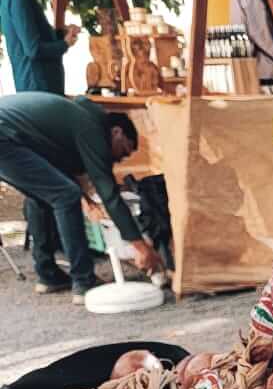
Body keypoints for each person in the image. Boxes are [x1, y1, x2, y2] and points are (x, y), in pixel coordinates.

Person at [0, 93, 160, 302]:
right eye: (124, 150)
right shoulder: (92, 129)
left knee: (41, 197)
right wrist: (140, 247)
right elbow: (109, 194)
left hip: (8, 134)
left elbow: (59, 169)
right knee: (65, 196)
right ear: (116, 132)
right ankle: (84, 281)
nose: (121, 158)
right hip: (5, 136)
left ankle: (48, 276)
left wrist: (87, 199)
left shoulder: (81, 118)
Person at [0, 0, 81, 295]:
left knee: (42, 188)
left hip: (36, 92)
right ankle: (56, 269)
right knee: (53, 190)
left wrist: (59, 37)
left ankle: (48, 267)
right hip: (36, 94)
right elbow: (33, 50)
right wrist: (64, 44)